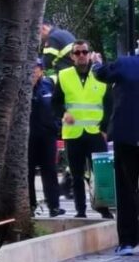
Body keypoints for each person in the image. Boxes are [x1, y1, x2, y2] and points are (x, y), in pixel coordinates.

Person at [52, 40, 113, 220]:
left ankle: (103, 208)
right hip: (73, 133)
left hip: (95, 133)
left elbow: (109, 104)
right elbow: (55, 103)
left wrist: (104, 128)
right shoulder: (64, 75)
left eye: (84, 52)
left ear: (89, 53)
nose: (81, 56)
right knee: (77, 175)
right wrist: (63, 114)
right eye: (77, 53)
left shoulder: (100, 74)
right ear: (72, 56)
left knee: (100, 174)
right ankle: (81, 210)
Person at [91, 54, 139, 255]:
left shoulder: (126, 63)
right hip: (127, 135)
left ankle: (128, 241)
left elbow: (102, 73)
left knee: (126, 188)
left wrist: (96, 63)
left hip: (127, 135)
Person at [29, 57, 64, 218]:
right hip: (28, 138)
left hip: (47, 136)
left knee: (49, 171)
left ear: (42, 70)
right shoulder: (22, 88)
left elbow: (57, 105)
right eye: (31, 67)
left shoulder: (48, 85)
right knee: (27, 173)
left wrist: (56, 125)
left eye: (37, 68)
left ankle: (54, 206)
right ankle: (30, 206)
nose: (34, 70)